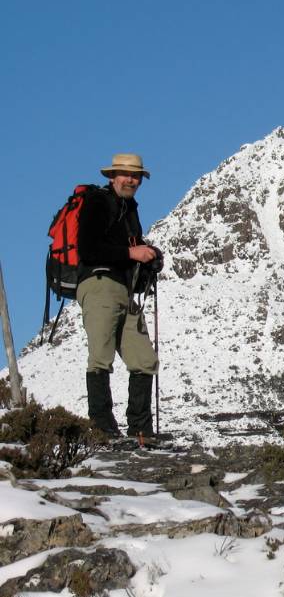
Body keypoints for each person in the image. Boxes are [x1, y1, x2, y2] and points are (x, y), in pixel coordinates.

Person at [76, 153, 164, 446]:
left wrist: (147, 257)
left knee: (144, 358)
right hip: (99, 284)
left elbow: (126, 250)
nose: (131, 180)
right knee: (100, 356)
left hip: (123, 290)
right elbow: (87, 249)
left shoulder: (129, 209)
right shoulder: (97, 202)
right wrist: (131, 253)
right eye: (125, 174)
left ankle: (140, 430)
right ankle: (101, 429)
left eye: (136, 176)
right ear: (112, 176)